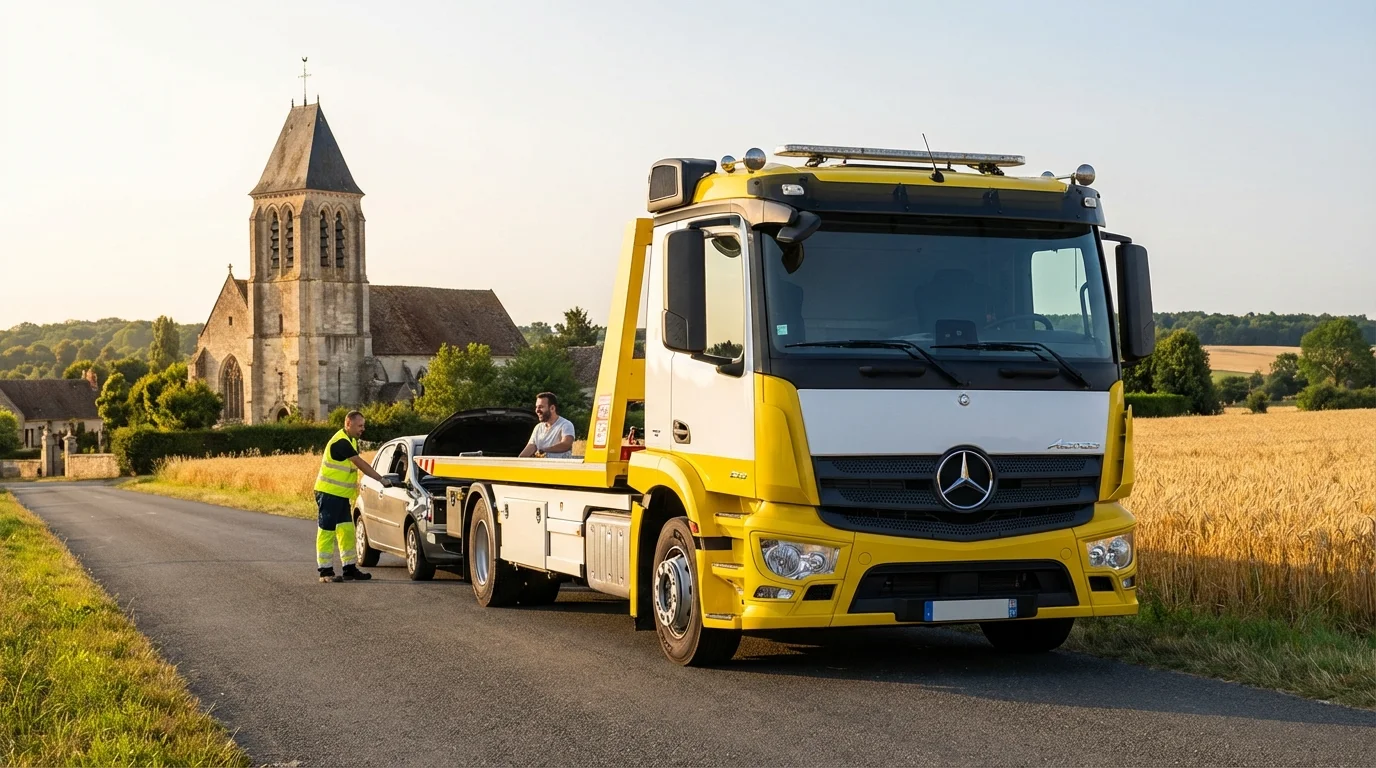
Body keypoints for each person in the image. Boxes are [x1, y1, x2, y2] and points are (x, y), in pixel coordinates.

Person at [314, 410, 393, 583]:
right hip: (328, 494)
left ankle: (349, 569)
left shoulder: (350, 440)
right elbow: (360, 463)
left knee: (347, 531)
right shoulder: (341, 441)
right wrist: (380, 479)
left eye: (363, 425)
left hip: (340, 496)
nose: (362, 429)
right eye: (360, 425)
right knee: (327, 531)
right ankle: (325, 572)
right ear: (348, 424)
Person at [519, 392, 576, 459]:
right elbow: (530, 447)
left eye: (541, 407)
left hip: (560, 468)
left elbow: (566, 444)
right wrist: (517, 462)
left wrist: (544, 450)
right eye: (536, 407)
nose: (537, 410)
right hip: (541, 468)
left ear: (552, 408)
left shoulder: (565, 424)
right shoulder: (538, 428)